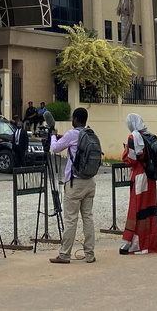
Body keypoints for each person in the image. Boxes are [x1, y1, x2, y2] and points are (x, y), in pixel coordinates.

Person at [48, 107, 97, 264]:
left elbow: (55, 148)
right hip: (90, 180)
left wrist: (53, 136)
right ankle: (90, 254)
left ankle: (64, 254)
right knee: (88, 218)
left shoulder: (72, 133)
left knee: (71, 219)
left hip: (75, 182)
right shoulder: (90, 133)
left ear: (75, 119)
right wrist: (63, 138)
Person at [120, 112, 157, 255]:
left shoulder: (133, 137)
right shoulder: (150, 136)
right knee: (149, 207)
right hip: (150, 176)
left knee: (136, 208)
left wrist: (125, 151)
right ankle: (150, 241)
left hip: (139, 176)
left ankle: (131, 243)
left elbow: (131, 159)